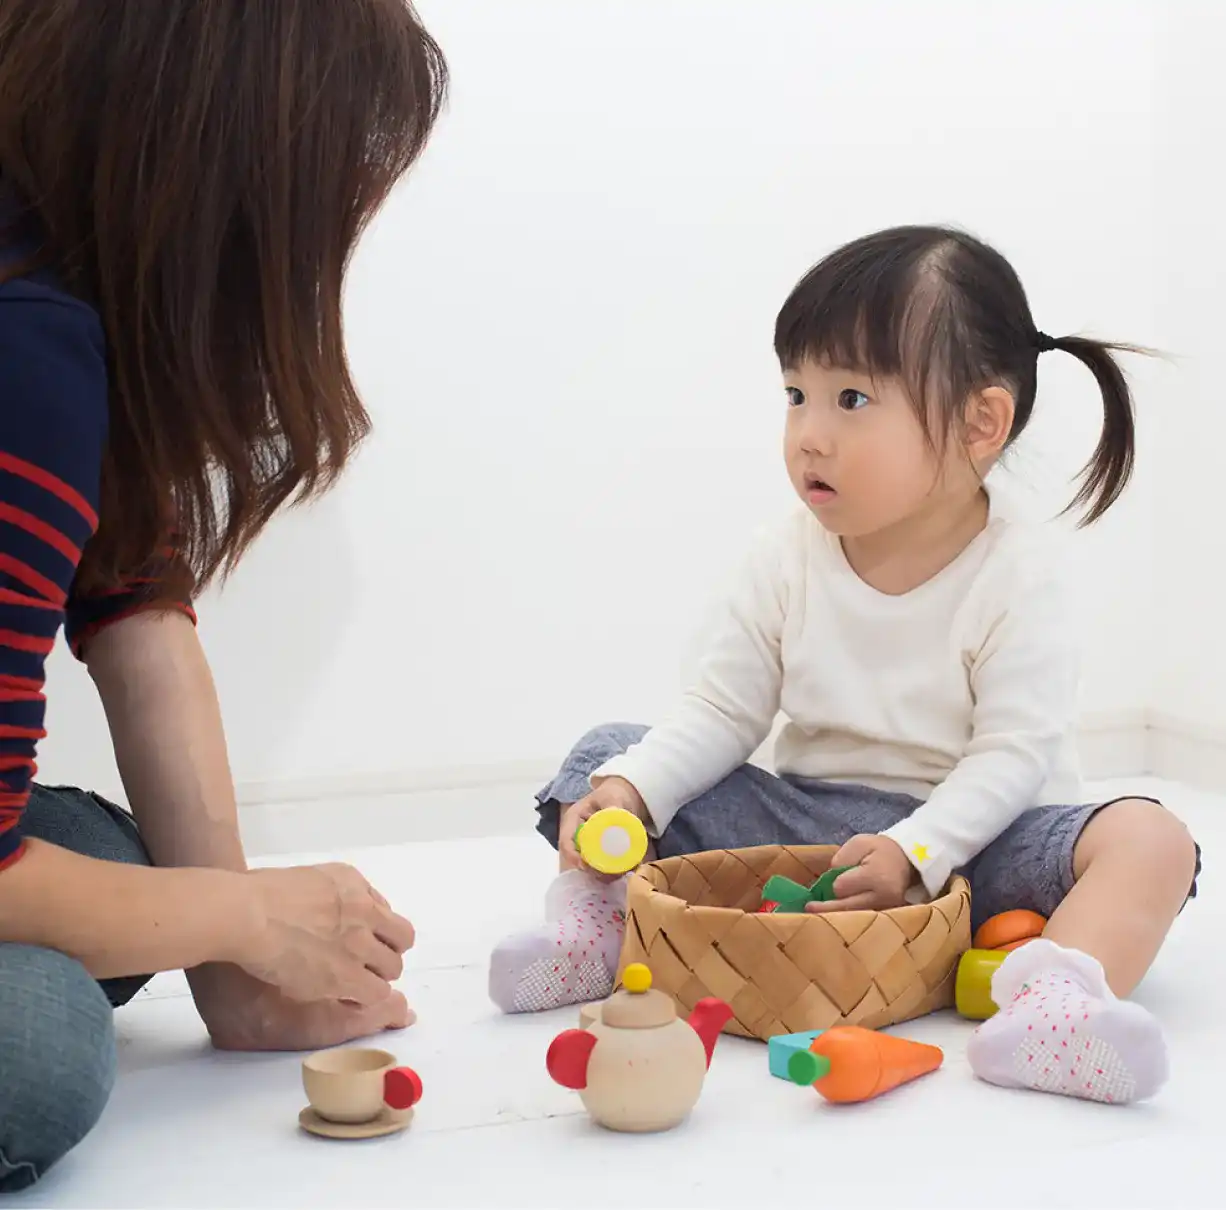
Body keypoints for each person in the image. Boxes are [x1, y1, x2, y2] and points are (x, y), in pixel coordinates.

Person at [489, 225, 1200, 1107]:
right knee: (607, 753)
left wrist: (915, 851)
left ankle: (1053, 1006)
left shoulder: (1021, 572)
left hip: (982, 843)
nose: (809, 436)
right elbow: (720, 711)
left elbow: (1013, 757)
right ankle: (601, 932)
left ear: (982, 423)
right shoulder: (785, 555)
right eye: (796, 394)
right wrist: (631, 792)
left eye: (852, 398)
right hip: (812, 832)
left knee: (1150, 838)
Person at [0, 0, 446, 1192]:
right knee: (35, 1051)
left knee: (113, 858)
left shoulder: (46, 276)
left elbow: (129, 592)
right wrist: (245, 921)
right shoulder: (24, 350)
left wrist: (231, 967)